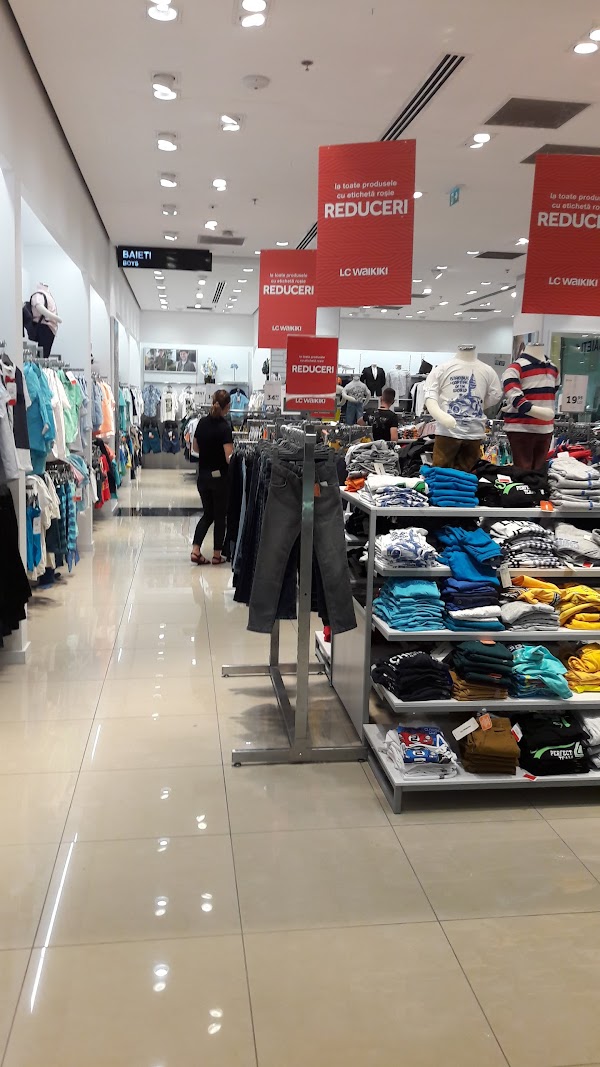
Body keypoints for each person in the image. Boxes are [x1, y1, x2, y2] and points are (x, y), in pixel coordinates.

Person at [190, 389, 233, 565]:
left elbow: (195, 448)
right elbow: (228, 457)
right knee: (220, 517)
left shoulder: (202, 423)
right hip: (219, 478)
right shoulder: (225, 427)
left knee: (208, 514)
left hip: (203, 477)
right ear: (227, 406)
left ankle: (195, 550)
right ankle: (217, 555)